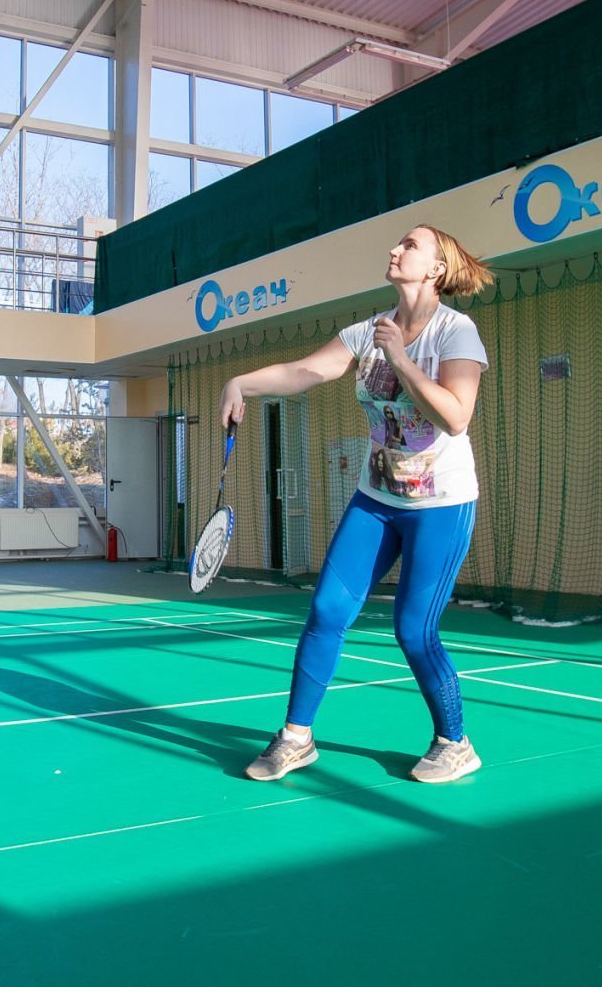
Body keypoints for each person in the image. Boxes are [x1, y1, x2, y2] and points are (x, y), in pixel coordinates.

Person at [220, 224, 495, 784]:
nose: (395, 250)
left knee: (414, 630)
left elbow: (455, 416)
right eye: (398, 243)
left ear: (436, 268)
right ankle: (296, 737)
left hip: (440, 505)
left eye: (410, 245)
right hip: (377, 499)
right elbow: (305, 371)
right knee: (326, 610)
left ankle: (455, 742)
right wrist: (240, 382)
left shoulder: (456, 332)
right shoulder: (367, 332)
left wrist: (401, 358)